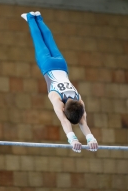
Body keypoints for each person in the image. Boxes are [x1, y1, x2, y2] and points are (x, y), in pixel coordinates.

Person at [21, 11, 98, 153]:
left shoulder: (79, 101)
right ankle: (31, 18)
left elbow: (82, 121)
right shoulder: (56, 99)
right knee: (39, 40)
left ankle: (38, 17)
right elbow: (64, 121)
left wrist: (91, 139)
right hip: (46, 64)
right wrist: (73, 139)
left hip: (62, 64)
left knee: (49, 39)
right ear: (63, 109)